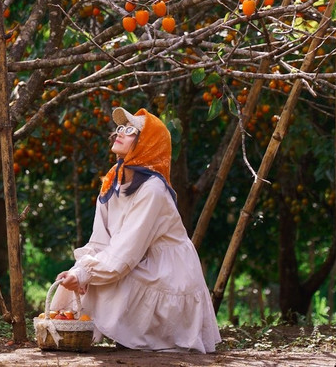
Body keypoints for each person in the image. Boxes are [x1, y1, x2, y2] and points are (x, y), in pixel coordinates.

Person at [51, 107, 221, 353]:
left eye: (131, 130)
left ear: (149, 143)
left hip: (168, 275)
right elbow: (99, 242)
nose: (120, 133)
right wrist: (79, 271)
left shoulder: (153, 189)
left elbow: (125, 254)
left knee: (107, 273)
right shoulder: (111, 182)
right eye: (120, 128)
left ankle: (149, 334)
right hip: (137, 260)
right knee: (88, 272)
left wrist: (87, 274)